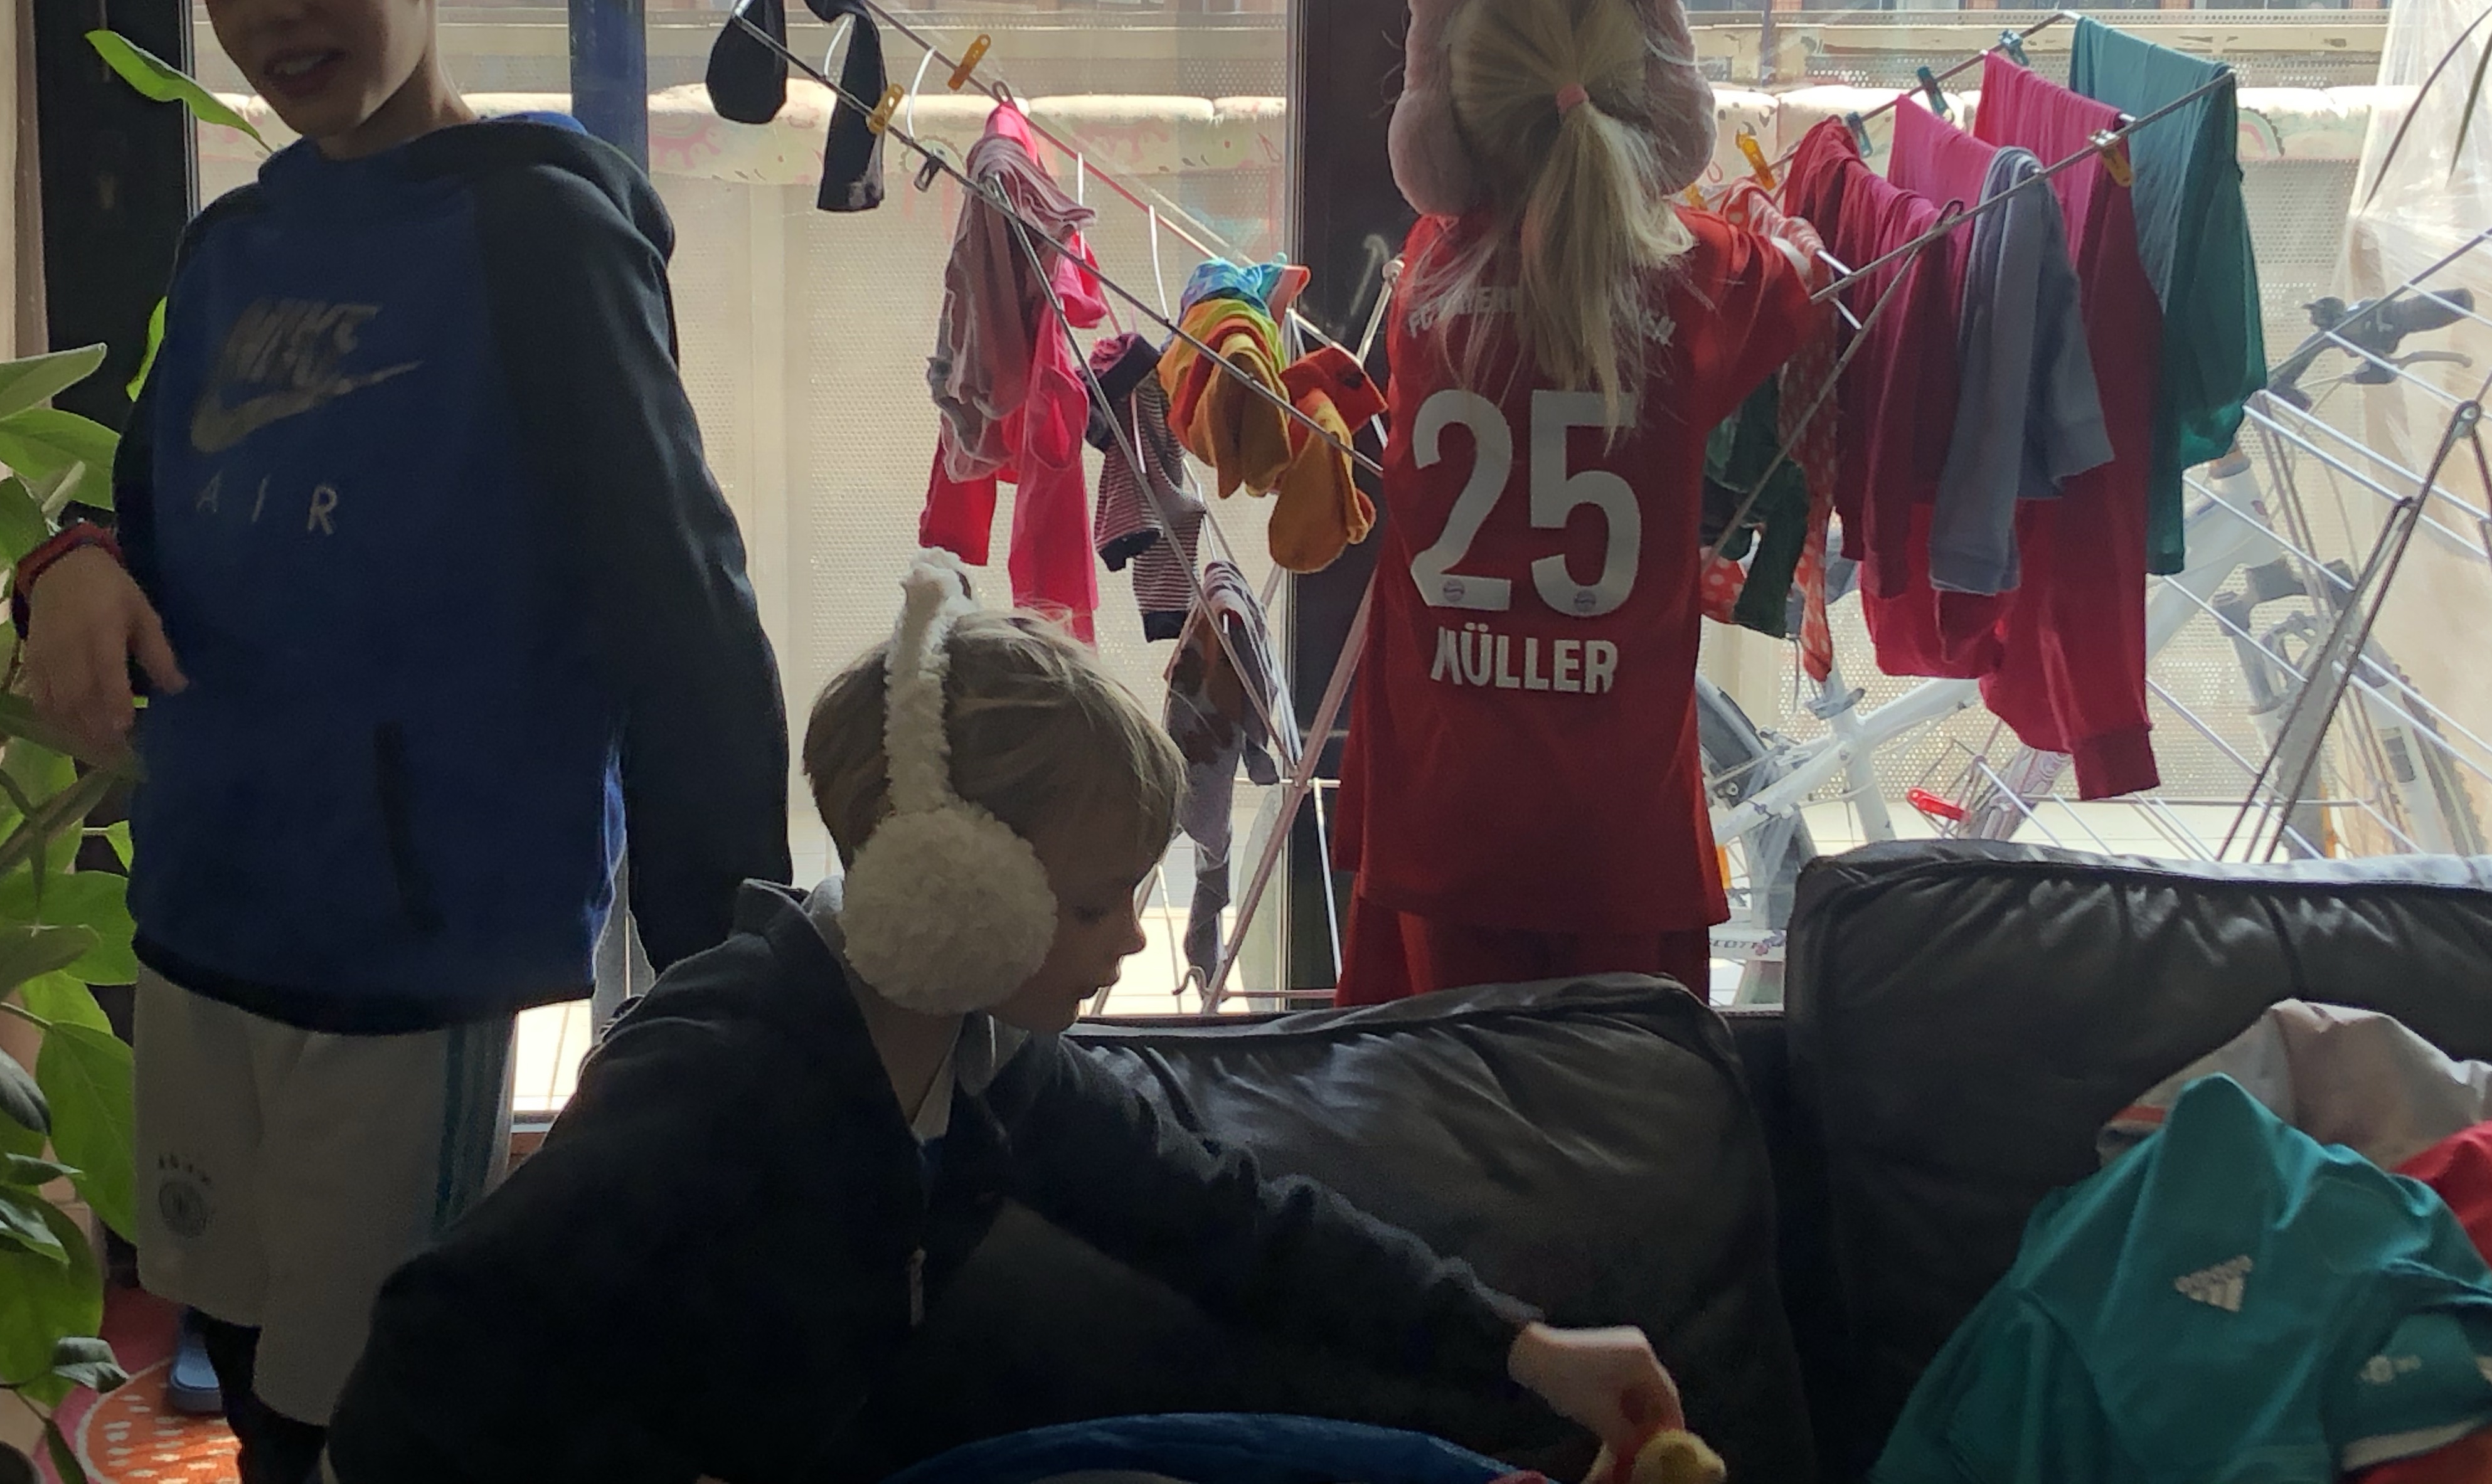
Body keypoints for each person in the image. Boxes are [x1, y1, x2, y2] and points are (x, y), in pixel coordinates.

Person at [15, 0, 789, 1484]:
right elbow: (136, 517)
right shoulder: (231, 253)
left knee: (370, 1410)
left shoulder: (544, 238)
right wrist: (63, 568)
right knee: (233, 1356)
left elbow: (680, 599)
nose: (268, 11)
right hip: (202, 917)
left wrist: (728, 979)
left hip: (409, 960)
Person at [320, 554, 1690, 1484]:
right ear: (951, 883)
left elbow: (1235, 1226)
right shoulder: (721, 1066)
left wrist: (1525, 1347)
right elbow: (429, 1350)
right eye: (1095, 907)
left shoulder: (987, 1064)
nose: (1132, 941)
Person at [1331, 0, 1821, 1007]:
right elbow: (1797, 279)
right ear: (1654, 107)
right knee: (1621, 1097)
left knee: (1425, 1086)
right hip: (1618, 829)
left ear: (1452, 129)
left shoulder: (1426, 277)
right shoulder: (1708, 277)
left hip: (1444, 811)